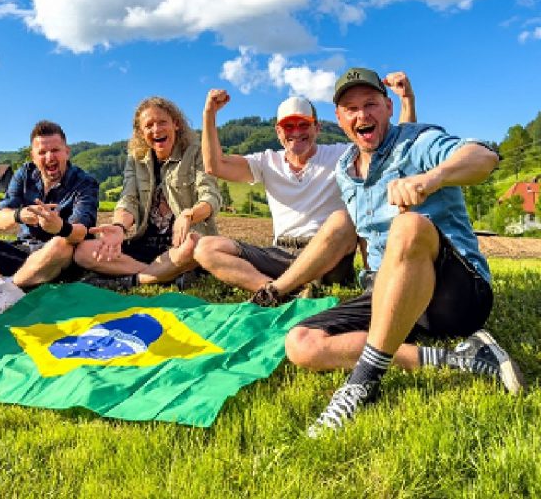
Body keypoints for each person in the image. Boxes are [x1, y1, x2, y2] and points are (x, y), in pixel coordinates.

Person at [279, 67, 525, 436]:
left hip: (454, 294)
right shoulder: (346, 171)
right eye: (351, 108)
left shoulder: (419, 142)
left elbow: (484, 157)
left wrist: (430, 179)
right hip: (391, 291)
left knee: (407, 225)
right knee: (301, 344)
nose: (363, 115)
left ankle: (361, 382)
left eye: (371, 104)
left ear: (388, 108)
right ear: (339, 119)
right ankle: (459, 361)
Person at [195, 73, 416, 304]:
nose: (296, 132)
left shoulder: (341, 155)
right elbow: (214, 165)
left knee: (343, 219)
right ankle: (280, 290)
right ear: (278, 132)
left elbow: (395, 150)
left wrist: (406, 100)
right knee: (205, 248)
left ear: (317, 128)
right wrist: (209, 114)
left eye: (303, 125)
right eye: (288, 126)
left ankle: (277, 291)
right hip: (281, 253)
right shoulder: (266, 162)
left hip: (327, 258)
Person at [74, 96, 221, 290]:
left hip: (182, 244)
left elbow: (211, 197)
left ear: (175, 124)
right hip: (146, 244)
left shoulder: (196, 152)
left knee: (195, 246)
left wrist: (189, 215)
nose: (156, 129)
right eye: (149, 125)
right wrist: (119, 227)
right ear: (141, 133)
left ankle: (132, 279)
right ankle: (164, 275)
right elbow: (129, 199)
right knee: (83, 251)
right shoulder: (136, 159)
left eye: (162, 122)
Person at [0, 120, 99, 289]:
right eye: (42, 152)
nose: (49, 157)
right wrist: (20, 214)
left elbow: (81, 232)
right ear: (33, 157)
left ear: (67, 152)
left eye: (55, 150)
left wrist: (60, 227)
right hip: (24, 251)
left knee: (61, 245)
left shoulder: (84, 183)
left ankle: (7, 288)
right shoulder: (24, 174)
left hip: (58, 259)